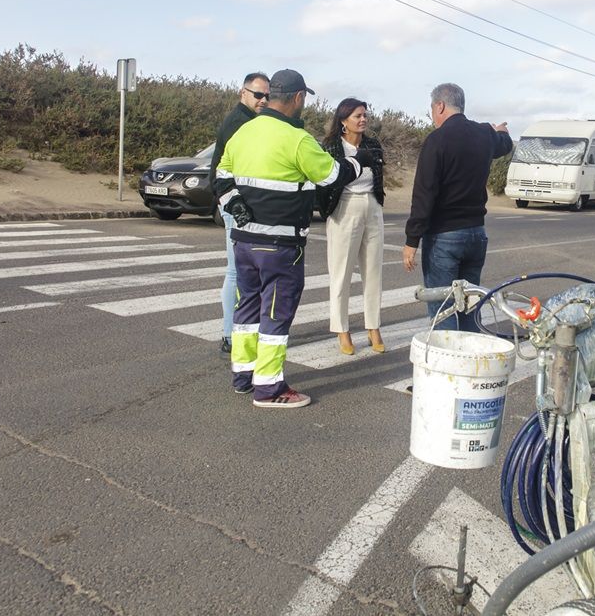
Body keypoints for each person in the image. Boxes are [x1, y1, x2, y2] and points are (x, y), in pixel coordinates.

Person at [213, 69, 374, 408]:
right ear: (299, 98)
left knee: (247, 310)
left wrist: (234, 205)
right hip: (280, 245)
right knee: (276, 315)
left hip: (244, 242)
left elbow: (221, 176)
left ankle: (243, 376)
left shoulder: (244, 132)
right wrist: (359, 163)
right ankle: (269, 389)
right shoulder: (297, 139)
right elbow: (331, 175)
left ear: (271, 96)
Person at [403, 83, 513, 331]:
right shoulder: (484, 134)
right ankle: (472, 363)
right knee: (469, 308)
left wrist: (412, 241)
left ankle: (449, 366)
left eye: (432, 109)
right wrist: (502, 132)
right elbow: (505, 145)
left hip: (444, 237)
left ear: (440, 105)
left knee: (443, 311)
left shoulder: (437, 140)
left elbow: (424, 194)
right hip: (476, 235)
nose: (432, 115)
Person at [317, 98, 386, 356]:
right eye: (357, 115)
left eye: (365, 115)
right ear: (344, 120)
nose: (363, 119)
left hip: (372, 206)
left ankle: (373, 327)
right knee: (341, 273)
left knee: (373, 272)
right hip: (344, 207)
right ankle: (342, 331)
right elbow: (322, 182)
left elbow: (379, 177)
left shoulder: (373, 145)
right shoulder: (332, 147)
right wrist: (327, 211)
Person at [208, 72, 270, 357]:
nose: (263, 100)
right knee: (236, 270)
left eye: (267, 95)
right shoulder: (239, 122)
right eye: (258, 95)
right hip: (235, 203)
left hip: (237, 202)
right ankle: (230, 335)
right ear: (243, 93)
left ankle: (235, 332)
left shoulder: (251, 121)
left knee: (239, 270)